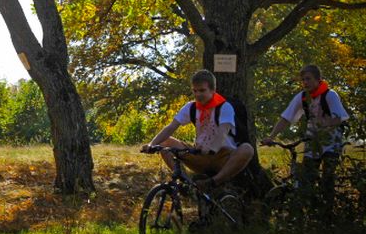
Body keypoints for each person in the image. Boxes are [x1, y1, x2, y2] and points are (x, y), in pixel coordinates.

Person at [141, 69, 254, 189]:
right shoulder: (191, 107)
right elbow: (171, 127)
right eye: (195, 90)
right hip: (199, 155)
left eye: (202, 90)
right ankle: (186, 183)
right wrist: (152, 144)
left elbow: (223, 132)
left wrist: (210, 149)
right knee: (165, 142)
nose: (198, 94)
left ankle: (214, 182)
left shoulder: (224, 107)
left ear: (213, 90)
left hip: (223, 157)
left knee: (247, 149)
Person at [261, 64, 349, 209]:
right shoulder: (302, 97)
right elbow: (286, 118)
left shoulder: (330, 95)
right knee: (307, 177)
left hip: (331, 141)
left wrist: (323, 127)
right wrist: (271, 136)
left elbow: (339, 118)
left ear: (318, 79)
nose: (305, 82)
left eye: (308, 79)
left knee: (328, 177)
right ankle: (307, 208)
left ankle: (327, 211)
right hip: (312, 141)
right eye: (303, 80)